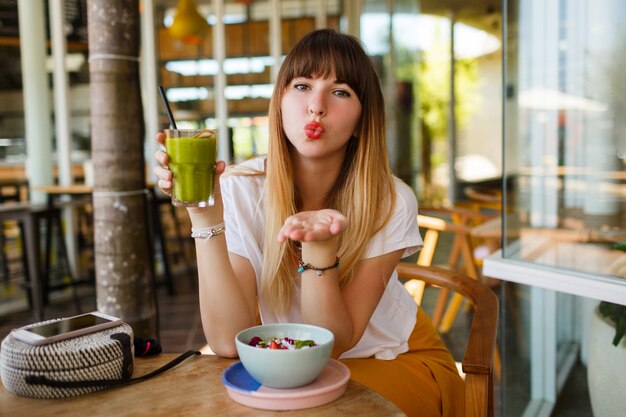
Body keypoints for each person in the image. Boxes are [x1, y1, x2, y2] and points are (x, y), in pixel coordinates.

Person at [154, 29, 463, 417]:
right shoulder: (239, 188)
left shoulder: (390, 199)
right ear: (279, 102)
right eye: (301, 85)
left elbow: (335, 345)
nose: (316, 106)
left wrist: (319, 248)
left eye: (340, 92)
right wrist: (204, 214)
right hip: (286, 362)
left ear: (362, 117)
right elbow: (226, 341)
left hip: (386, 356)